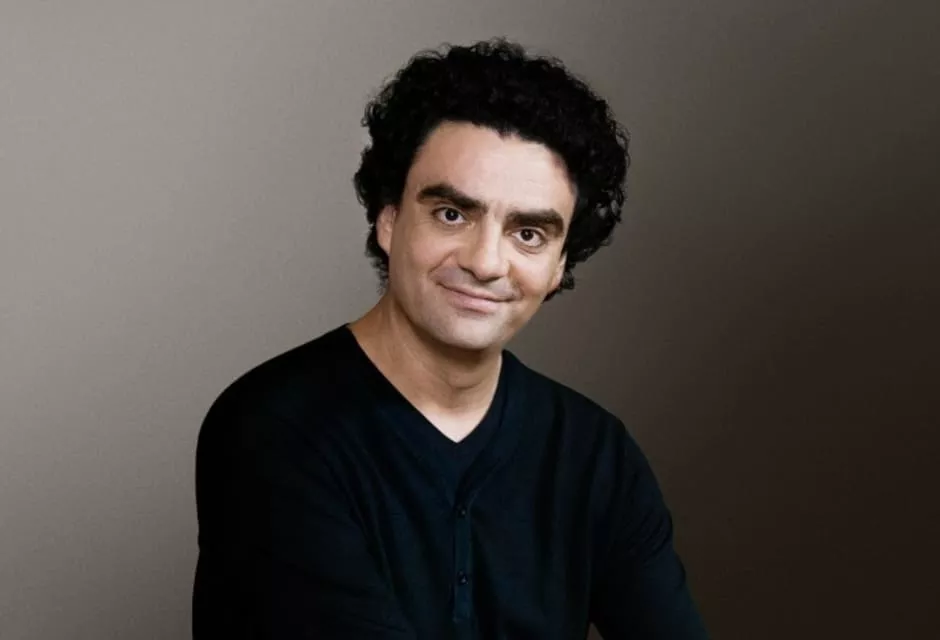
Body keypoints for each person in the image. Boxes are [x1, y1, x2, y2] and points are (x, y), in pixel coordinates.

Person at [192, 38, 708, 639]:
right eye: (452, 215)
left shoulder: (596, 455)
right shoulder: (273, 428)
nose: (486, 262)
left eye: (529, 234)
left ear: (561, 264)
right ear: (389, 219)